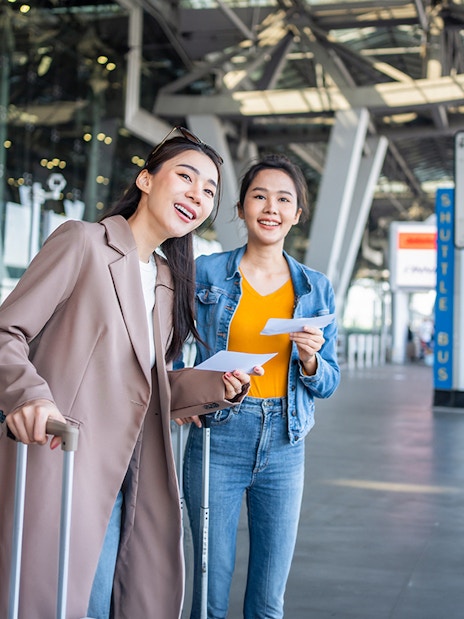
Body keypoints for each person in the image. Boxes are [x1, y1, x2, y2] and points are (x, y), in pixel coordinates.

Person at [0, 126, 263, 619]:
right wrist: (29, 396)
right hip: (65, 466)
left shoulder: (166, 280)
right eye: (186, 177)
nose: (197, 195)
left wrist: (215, 385)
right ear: (145, 180)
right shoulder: (84, 243)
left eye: (209, 191)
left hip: (130, 479)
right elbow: (6, 332)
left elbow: (149, 383)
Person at [180, 154, 340, 619]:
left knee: (269, 600)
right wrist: (182, 396)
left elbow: (329, 380)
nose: (271, 207)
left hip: (286, 442)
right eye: (260, 195)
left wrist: (310, 358)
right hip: (218, 437)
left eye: (283, 199)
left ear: (296, 214)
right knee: (210, 590)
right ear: (243, 207)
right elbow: (166, 341)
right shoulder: (206, 272)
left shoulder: (315, 288)